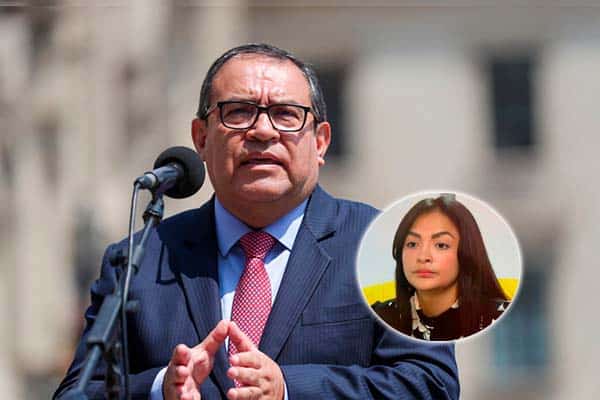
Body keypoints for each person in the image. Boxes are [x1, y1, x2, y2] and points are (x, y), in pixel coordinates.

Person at [54, 44, 459, 399]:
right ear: (201, 138)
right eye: (239, 112)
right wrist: (161, 389)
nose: (263, 131)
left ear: (320, 142)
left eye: (286, 114)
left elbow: (430, 385)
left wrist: (288, 389)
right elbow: (78, 392)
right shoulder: (140, 261)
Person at [373, 195, 510, 341]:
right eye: (412, 244)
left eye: (441, 245)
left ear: (467, 252)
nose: (423, 257)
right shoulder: (378, 317)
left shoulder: (503, 318)